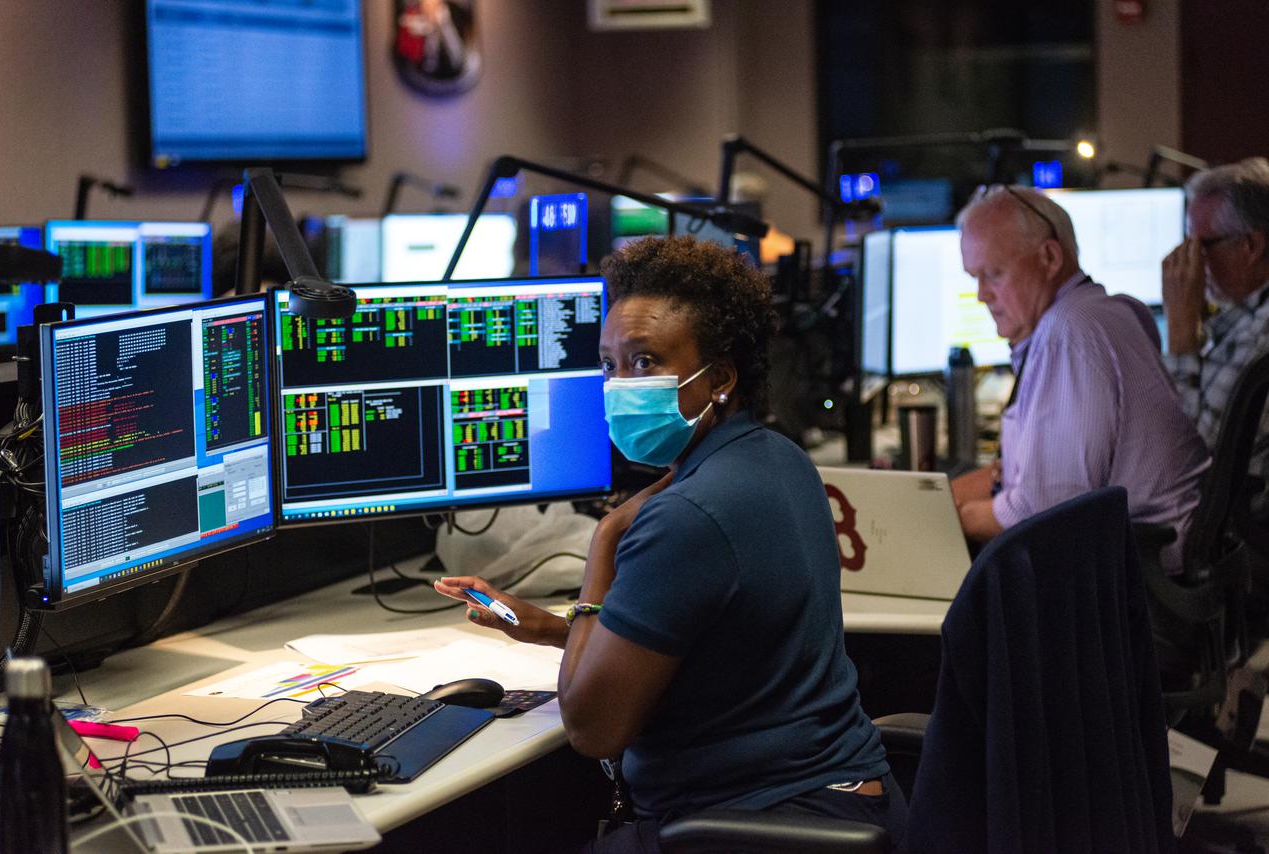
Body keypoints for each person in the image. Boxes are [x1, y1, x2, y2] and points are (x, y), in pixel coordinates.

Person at [435, 236, 906, 852]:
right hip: (847, 801)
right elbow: (713, 641)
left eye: (646, 361)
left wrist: (604, 542)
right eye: (610, 364)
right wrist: (557, 629)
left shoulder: (684, 517)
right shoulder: (780, 460)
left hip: (755, 827)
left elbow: (591, 728)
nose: (621, 384)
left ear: (722, 377)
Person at [950, 185, 1209, 564]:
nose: (981, 295)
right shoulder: (1111, 310)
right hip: (1152, 565)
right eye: (975, 277)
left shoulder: (1069, 334)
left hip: (1134, 580)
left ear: (1050, 257)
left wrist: (954, 518)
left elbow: (1041, 513)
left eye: (993, 273)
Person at [1162, 158, 1269, 482]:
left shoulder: (1259, 336)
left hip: (1227, 528)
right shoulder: (1244, 317)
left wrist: (1181, 326)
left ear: (1251, 245)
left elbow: (1184, 457)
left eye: (1200, 244)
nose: (1191, 259)